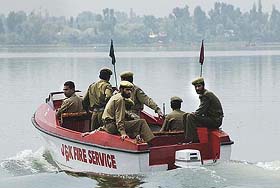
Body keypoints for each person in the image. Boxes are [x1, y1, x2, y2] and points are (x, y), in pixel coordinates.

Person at [183, 77, 224, 143]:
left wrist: (194, 114)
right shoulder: (203, 95)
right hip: (210, 118)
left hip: (215, 120)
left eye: (199, 86)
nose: (197, 88)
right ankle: (187, 137)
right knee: (185, 115)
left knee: (190, 116)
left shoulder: (206, 95)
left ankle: (194, 140)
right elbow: (202, 111)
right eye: (195, 87)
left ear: (203, 85)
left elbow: (200, 111)